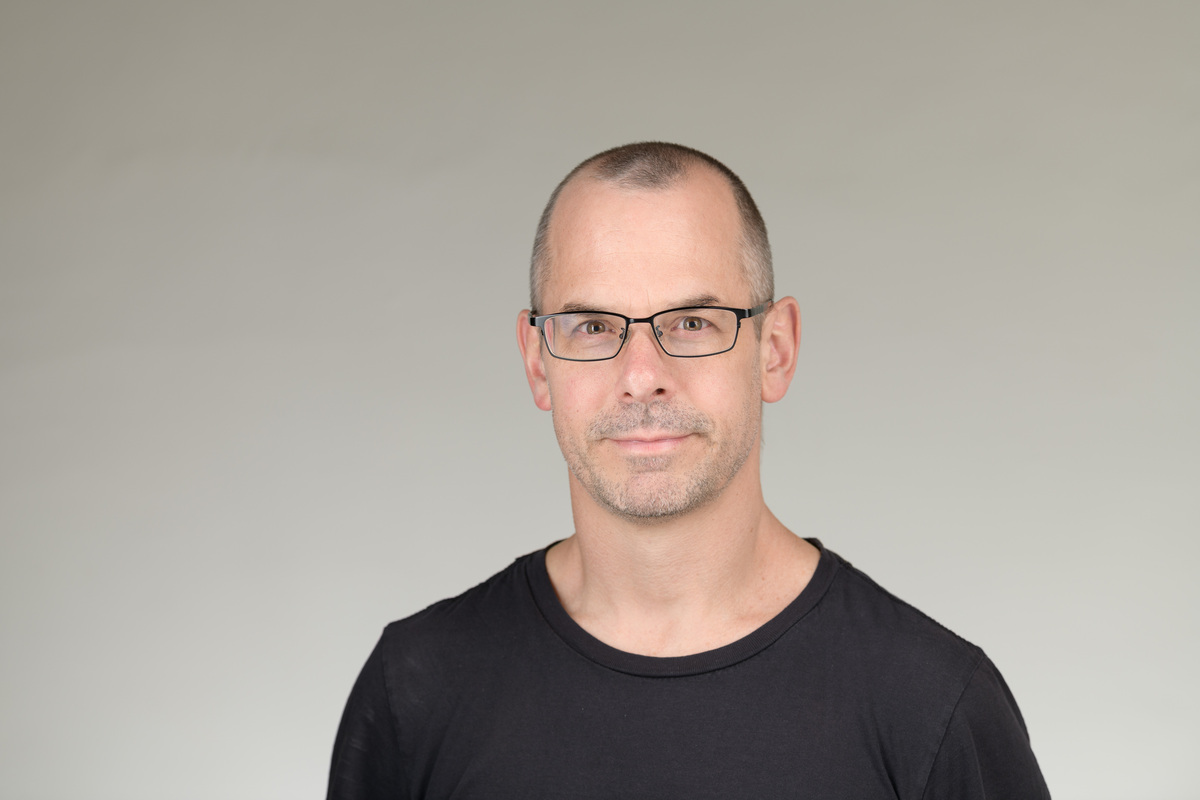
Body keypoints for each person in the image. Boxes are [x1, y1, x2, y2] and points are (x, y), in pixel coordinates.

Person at [327, 142, 1050, 799]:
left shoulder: (930, 706)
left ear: (776, 349)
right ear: (535, 360)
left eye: (693, 323)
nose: (642, 377)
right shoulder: (417, 693)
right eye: (592, 327)